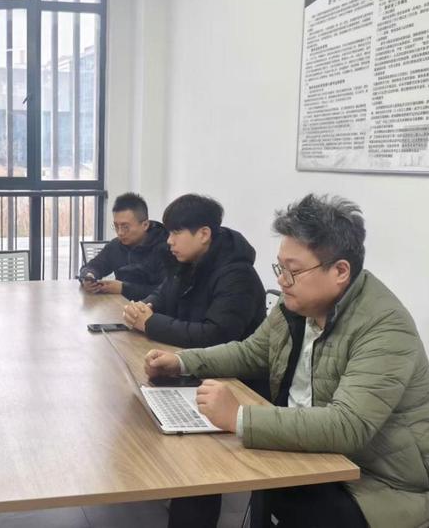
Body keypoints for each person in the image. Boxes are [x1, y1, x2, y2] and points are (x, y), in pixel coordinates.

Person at [144, 194, 429, 528]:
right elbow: (251, 352)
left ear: (340, 271)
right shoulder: (296, 304)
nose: (282, 280)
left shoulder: (384, 326)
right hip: (312, 451)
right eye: (281, 268)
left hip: (378, 479)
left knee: (276, 491)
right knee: (202, 460)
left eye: (293, 271)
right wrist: (181, 362)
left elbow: (347, 426)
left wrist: (239, 416)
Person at [123, 194, 266, 349]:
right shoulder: (187, 261)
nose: (169, 240)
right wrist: (140, 309)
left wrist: (150, 323)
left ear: (204, 234)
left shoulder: (238, 276)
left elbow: (216, 336)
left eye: (176, 232)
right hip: (184, 356)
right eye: (169, 233)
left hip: (225, 365)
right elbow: (162, 295)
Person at [79, 192, 175, 301]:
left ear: (145, 225)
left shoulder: (166, 248)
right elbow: (93, 266)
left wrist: (124, 288)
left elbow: (167, 293)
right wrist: (89, 276)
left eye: (125, 227)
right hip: (122, 306)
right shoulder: (116, 245)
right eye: (116, 226)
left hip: (152, 310)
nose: (120, 233)